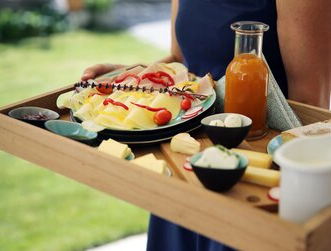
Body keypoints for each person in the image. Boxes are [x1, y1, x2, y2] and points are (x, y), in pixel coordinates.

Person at [81, 0, 331, 250]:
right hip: (186, 158)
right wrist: (131, 77)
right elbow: (180, 62)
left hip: (247, 172)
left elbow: (310, 102)